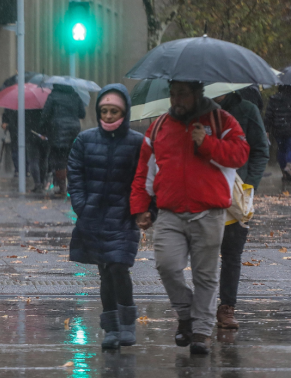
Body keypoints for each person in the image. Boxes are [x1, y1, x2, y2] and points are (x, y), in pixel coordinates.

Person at [131, 81, 249, 355]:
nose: (175, 99)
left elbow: (240, 155)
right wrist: (141, 207)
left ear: (197, 93)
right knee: (166, 266)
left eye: (181, 94)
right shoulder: (160, 125)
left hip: (209, 211)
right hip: (170, 211)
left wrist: (206, 143)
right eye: (172, 94)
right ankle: (186, 314)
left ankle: (201, 332)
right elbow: (144, 169)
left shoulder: (222, 120)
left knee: (205, 276)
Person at [68, 84, 146, 350]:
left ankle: (127, 323)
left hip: (124, 217)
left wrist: (143, 210)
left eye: (114, 111)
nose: (109, 115)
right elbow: (75, 173)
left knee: (118, 267)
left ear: (124, 112)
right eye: (105, 110)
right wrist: (81, 204)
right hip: (94, 217)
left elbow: (146, 177)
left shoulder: (137, 142)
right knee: (105, 272)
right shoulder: (85, 140)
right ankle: (111, 328)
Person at [212, 91, 270, 330]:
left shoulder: (246, 110)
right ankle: (198, 308)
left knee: (231, 253)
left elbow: (260, 149)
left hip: (237, 194)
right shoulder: (197, 112)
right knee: (199, 253)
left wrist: (249, 185)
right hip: (203, 192)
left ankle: (227, 307)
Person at [40, 83, 86, 197]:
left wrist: (43, 130)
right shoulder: (75, 95)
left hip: (57, 130)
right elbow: (82, 114)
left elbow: (45, 115)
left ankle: (62, 188)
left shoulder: (53, 96)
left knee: (59, 160)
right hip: (74, 129)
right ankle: (73, 187)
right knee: (72, 158)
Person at [2, 108, 48, 190]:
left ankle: (37, 182)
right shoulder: (44, 106)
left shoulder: (24, 106)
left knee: (34, 159)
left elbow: (15, 119)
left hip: (30, 134)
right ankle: (41, 182)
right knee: (42, 160)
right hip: (41, 134)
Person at [265, 85, 291, 184]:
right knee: (290, 147)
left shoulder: (274, 99)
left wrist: (267, 129)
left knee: (281, 149)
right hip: (289, 129)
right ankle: (289, 166)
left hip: (277, 129)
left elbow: (268, 115)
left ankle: (284, 172)